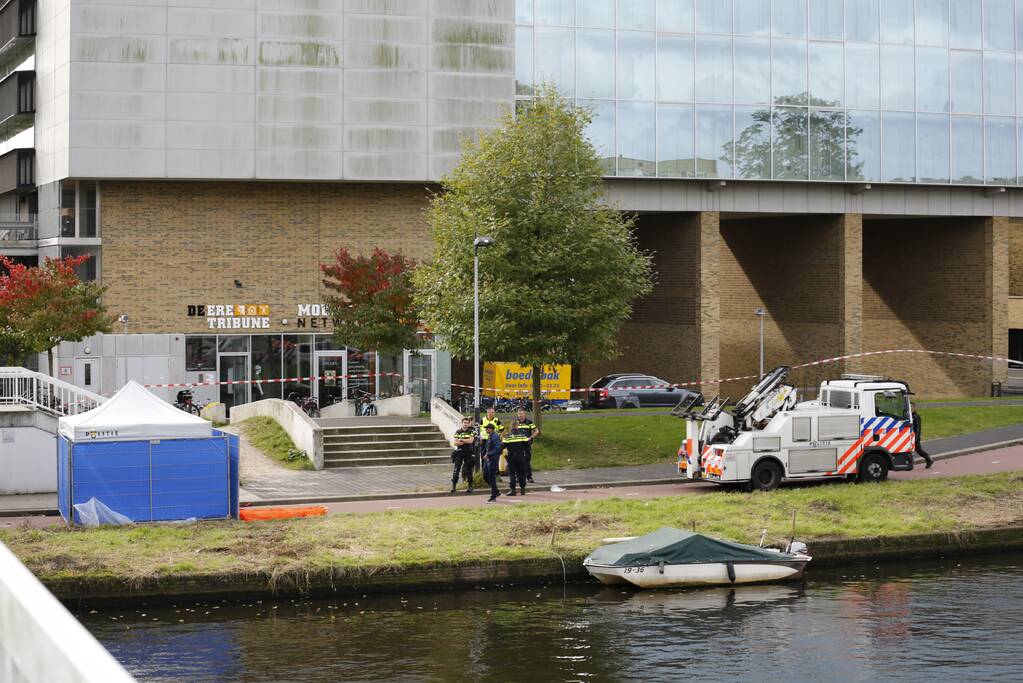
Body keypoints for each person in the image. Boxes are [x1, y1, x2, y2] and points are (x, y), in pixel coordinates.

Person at [503, 418, 533, 496]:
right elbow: (528, 445)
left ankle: (513, 490)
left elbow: (502, 446)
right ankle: (523, 489)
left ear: (511, 427)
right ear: (517, 426)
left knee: (512, 473)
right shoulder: (523, 435)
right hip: (521, 457)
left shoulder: (508, 436)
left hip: (511, 457)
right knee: (522, 473)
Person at [450, 417, 477, 494]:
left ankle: (470, 486)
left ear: (468, 424)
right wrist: (465, 441)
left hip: (468, 452)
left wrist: (461, 440)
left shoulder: (471, 431)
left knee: (468, 470)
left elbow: (471, 441)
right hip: (459, 452)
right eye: (464, 422)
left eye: (467, 423)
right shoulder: (458, 431)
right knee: (456, 470)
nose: (465, 424)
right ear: (462, 423)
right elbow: (455, 443)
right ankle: (453, 486)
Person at [513, 407, 540, 483]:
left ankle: (529, 477)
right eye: (519, 414)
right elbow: (512, 432)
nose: (520, 415)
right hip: (517, 446)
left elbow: (537, 431)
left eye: (521, 414)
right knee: (518, 461)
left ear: (525, 414)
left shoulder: (529, 422)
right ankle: (518, 477)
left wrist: (531, 437)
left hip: (526, 445)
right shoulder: (515, 422)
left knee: (526, 462)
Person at [482, 423, 503, 503]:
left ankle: (493, 497)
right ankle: (496, 491)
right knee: (485, 476)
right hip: (488, 459)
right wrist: (485, 454)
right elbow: (488, 447)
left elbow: (497, 448)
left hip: (493, 459)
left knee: (492, 478)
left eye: (487, 428)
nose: (486, 429)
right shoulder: (490, 436)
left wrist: (488, 454)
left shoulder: (495, 436)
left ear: (491, 429)